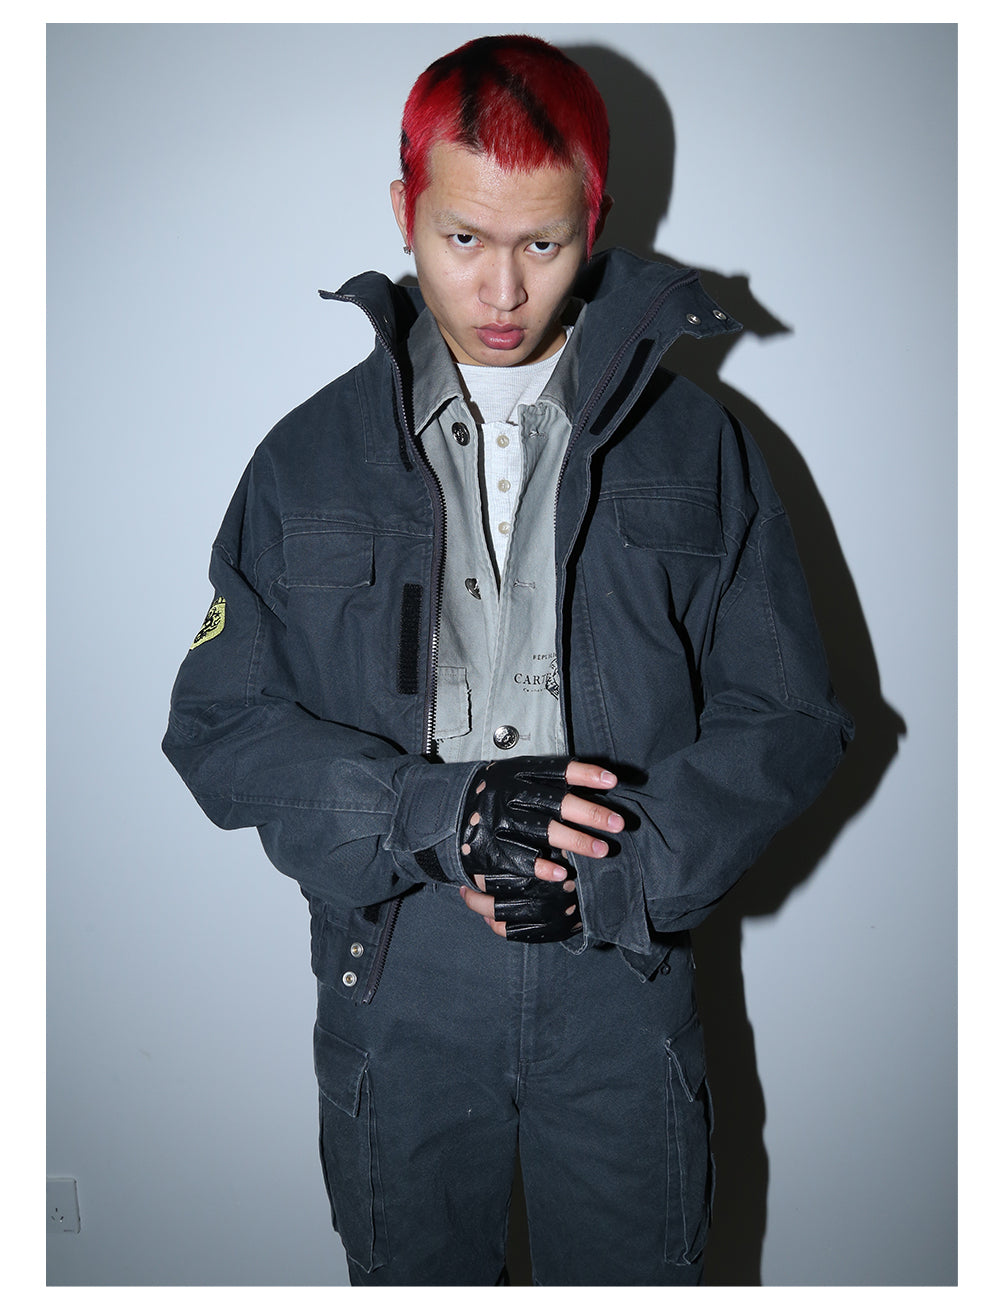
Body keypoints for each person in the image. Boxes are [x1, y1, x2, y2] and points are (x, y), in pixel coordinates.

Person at [163, 34, 852, 1286]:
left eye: (542, 243)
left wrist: (630, 866)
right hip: (398, 974)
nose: (500, 289)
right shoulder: (302, 459)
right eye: (463, 237)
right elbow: (219, 725)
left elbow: (791, 716)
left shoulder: (702, 447)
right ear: (403, 213)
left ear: (595, 221)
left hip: (621, 976)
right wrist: (436, 810)